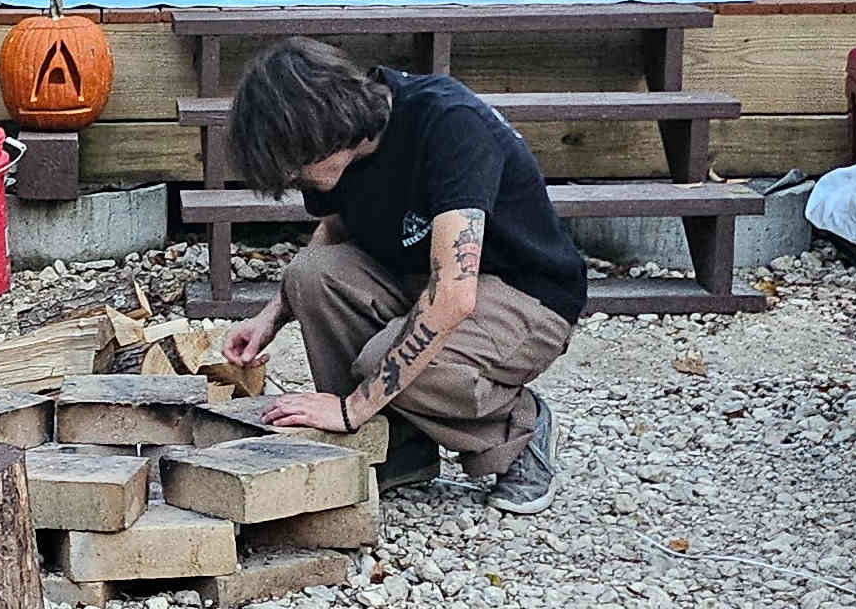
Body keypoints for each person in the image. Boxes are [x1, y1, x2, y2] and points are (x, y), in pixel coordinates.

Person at [221, 36, 584, 511]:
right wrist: (271, 316)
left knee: (382, 364)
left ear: (326, 129)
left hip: (526, 295)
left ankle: (520, 428)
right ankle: (396, 449)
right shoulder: (340, 153)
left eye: (293, 166)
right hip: (423, 280)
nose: (292, 179)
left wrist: (352, 408)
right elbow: (333, 231)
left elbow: (454, 296)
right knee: (309, 274)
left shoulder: (448, 123)